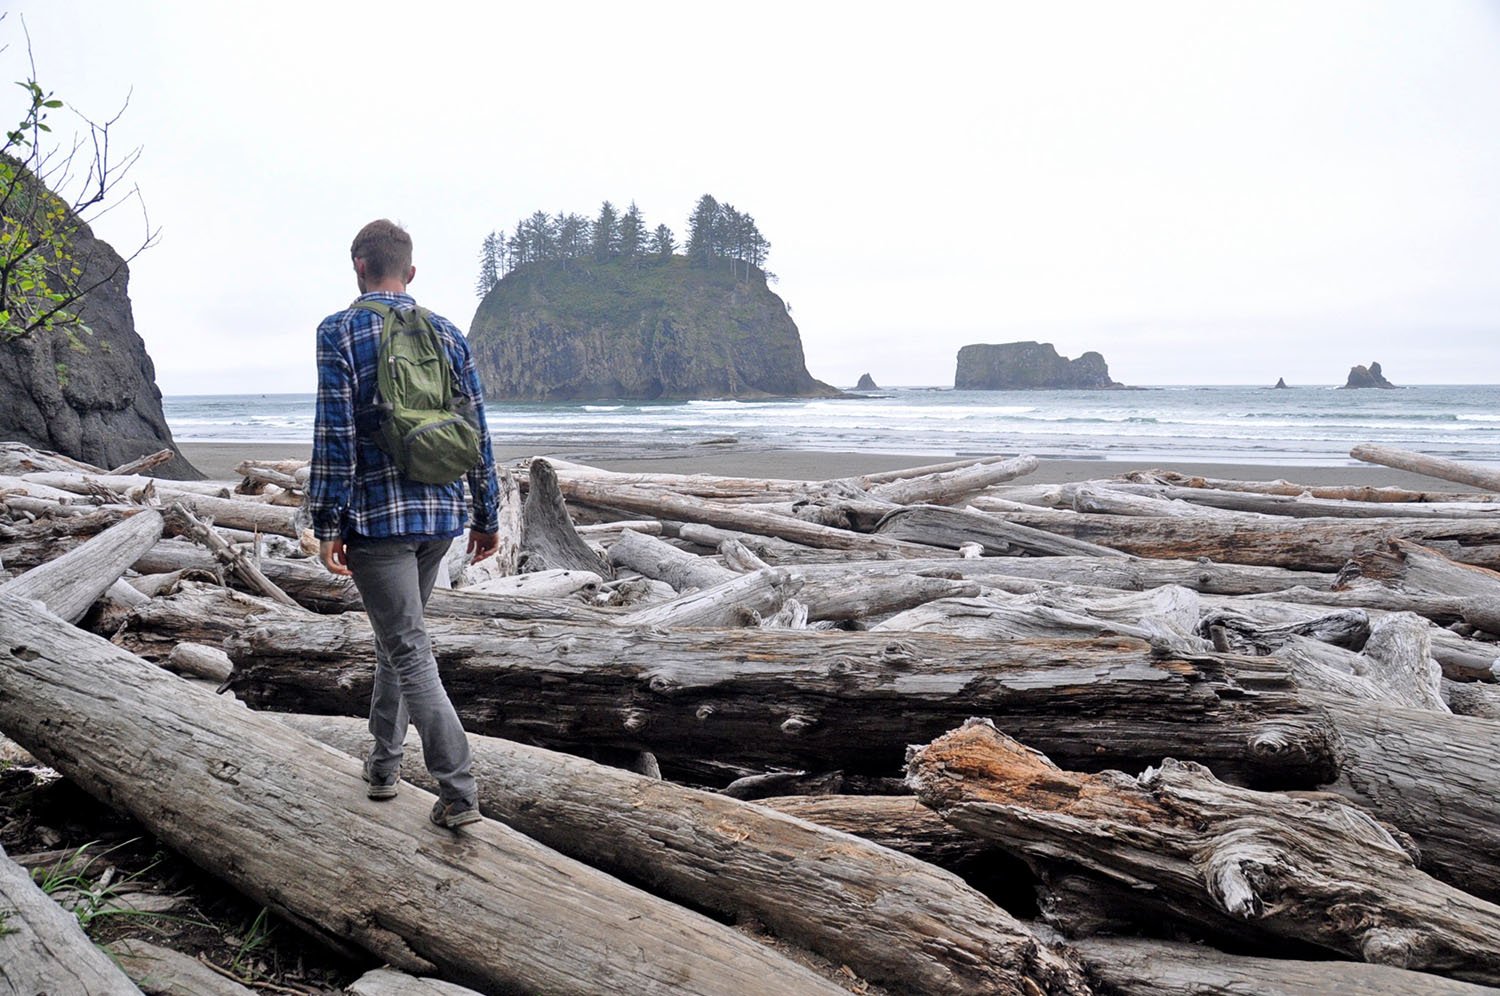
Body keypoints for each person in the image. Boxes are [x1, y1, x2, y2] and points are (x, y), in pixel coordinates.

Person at [307, 219, 500, 830]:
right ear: (409, 272)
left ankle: (459, 792)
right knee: (400, 641)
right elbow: (479, 428)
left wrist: (327, 520)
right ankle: (384, 767)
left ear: (357, 266)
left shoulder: (339, 330)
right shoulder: (446, 332)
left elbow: (335, 434)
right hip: (441, 514)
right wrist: (486, 509)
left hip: (377, 519)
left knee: (409, 649)